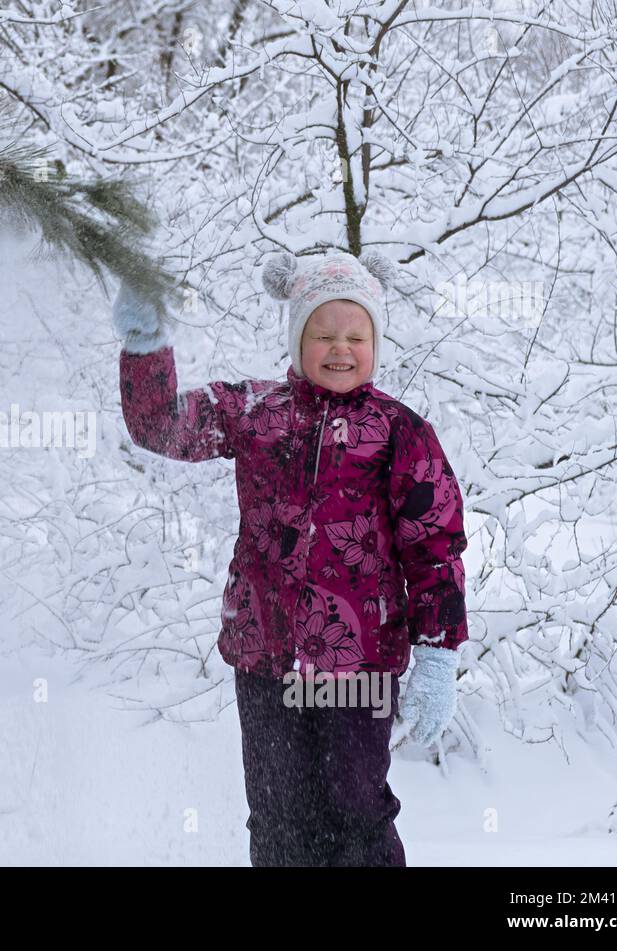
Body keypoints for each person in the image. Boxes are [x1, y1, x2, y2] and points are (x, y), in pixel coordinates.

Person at [113, 250, 469, 866]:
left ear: (376, 343)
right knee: (278, 818)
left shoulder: (398, 431)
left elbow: (434, 546)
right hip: (265, 659)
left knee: (356, 810)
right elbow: (162, 425)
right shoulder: (256, 414)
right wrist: (147, 344)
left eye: (356, 335)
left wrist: (438, 654)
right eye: (324, 333)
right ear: (297, 337)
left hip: (358, 665)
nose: (340, 348)